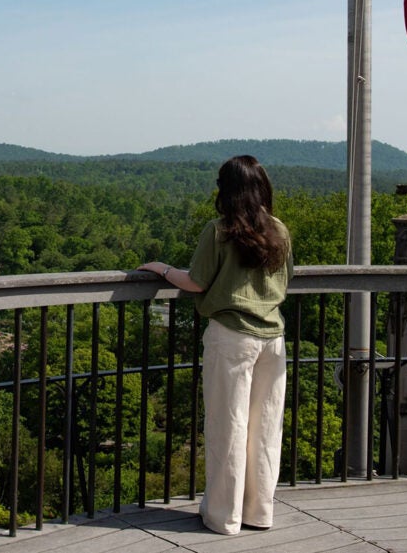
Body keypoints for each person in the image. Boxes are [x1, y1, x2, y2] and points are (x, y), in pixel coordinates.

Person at [138, 155, 291, 535]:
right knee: (266, 427)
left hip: (232, 336)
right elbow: (284, 283)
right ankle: (260, 512)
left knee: (229, 425)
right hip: (273, 339)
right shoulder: (279, 231)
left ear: (227, 190)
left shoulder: (219, 231)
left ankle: (224, 516)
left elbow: (196, 282)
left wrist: (160, 269)